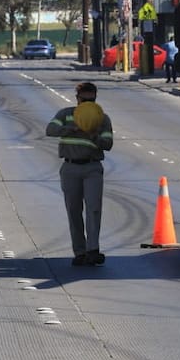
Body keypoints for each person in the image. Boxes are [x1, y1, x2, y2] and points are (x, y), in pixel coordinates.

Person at [46, 82, 114, 266]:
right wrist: (72, 128)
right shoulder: (66, 114)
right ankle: (80, 252)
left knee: (94, 208)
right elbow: (50, 130)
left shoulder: (102, 118)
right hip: (70, 167)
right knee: (74, 210)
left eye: (92, 100)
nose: (88, 104)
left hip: (92, 167)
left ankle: (93, 249)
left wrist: (93, 135)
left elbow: (108, 144)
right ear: (77, 99)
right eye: (84, 100)